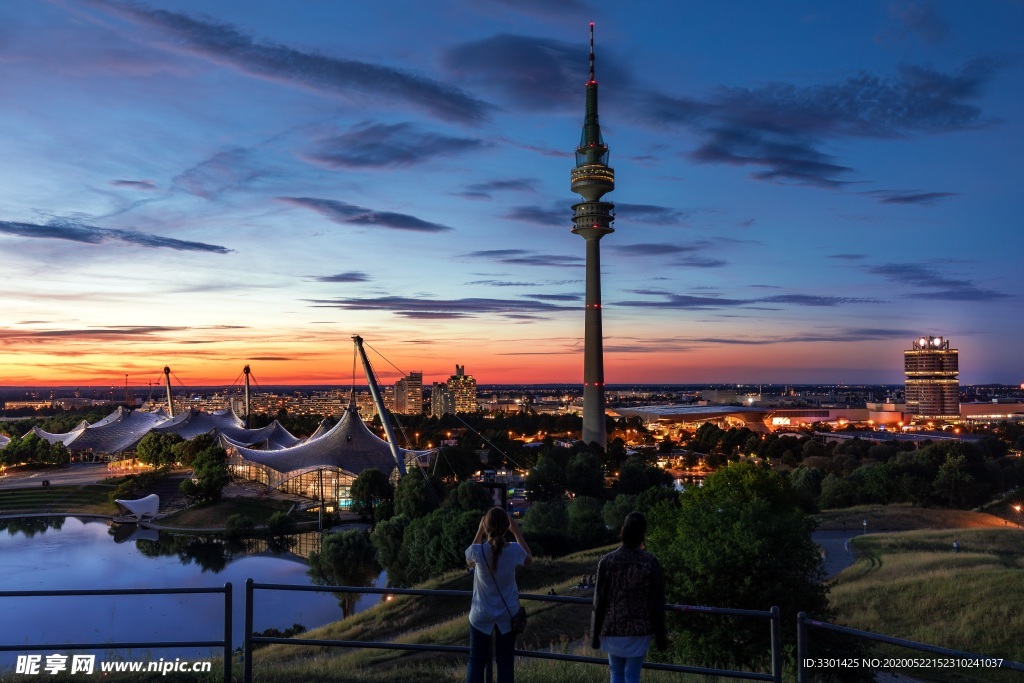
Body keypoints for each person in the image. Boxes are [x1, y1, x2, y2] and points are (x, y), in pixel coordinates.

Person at [591, 512, 667, 683]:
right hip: (639, 630)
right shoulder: (650, 562)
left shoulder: (607, 561)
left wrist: (595, 635)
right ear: (643, 534)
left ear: (623, 530)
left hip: (612, 628)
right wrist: (661, 637)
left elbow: (599, 601)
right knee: (632, 674)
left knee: (616, 673)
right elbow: (657, 602)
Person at [465, 507, 533, 683]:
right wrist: (516, 531)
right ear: (506, 527)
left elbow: (468, 560)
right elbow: (529, 559)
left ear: (486, 526)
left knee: (476, 661)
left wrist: (480, 531)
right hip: (507, 616)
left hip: (480, 614)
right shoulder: (514, 550)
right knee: (505, 662)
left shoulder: (478, 551)